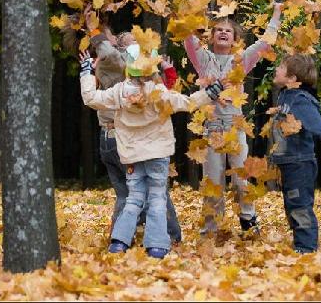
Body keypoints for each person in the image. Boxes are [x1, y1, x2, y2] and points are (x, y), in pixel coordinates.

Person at [79, 45, 224, 258]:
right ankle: (156, 245)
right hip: (157, 154)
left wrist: (86, 72)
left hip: (131, 155)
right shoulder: (158, 93)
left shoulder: (119, 92)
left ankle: (119, 242)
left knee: (134, 197)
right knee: (156, 198)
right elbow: (187, 103)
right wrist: (210, 93)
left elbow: (91, 98)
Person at [184, 2, 282, 235]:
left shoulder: (241, 60)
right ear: (211, 36)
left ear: (235, 38)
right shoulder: (203, 59)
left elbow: (265, 43)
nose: (223, 32)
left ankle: (248, 220)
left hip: (235, 129)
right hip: (213, 130)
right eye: (219, 29)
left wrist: (277, 12)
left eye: (228, 30)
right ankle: (210, 228)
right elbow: (188, 39)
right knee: (213, 182)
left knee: (241, 179)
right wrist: (193, 10)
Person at [86, 21, 181, 242]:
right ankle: (170, 236)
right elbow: (110, 51)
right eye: (133, 42)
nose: (139, 46)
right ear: (120, 48)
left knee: (126, 195)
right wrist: (94, 30)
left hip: (109, 138)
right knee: (155, 191)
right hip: (125, 140)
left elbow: (165, 92)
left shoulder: (118, 70)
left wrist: (167, 71)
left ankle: (119, 240)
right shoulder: (119, 65)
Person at [268, 54, 321, 253]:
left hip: (300, 163)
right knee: (292, 204)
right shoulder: (285, 95)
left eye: (281, 67)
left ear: (292, 78)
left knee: (300, 205)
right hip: (289, 162)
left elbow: (313, 119)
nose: (276, 69)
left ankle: (306, 248)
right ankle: (301, 242)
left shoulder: (299, 99)